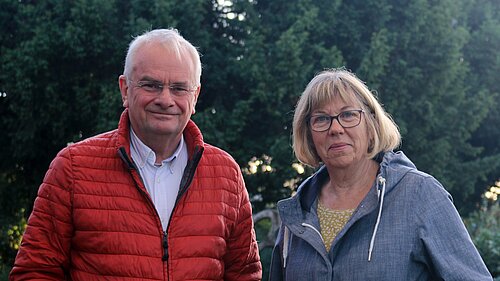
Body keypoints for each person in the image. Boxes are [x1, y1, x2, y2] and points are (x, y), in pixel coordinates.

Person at [10, 28, 262, 281]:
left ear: (194, 96)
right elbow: (35, 271)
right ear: (125, 89)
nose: (165, 99)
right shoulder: (74, 167)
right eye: (151, 85)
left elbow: (245, 275)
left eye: (178, 88)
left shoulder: (226, 174)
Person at [269, 69, 492, 280]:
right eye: (321, 119)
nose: (335, 129)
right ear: (307, 134)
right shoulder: (296, 213)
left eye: (348, 115)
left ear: (372, 123)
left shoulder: (420, 195)